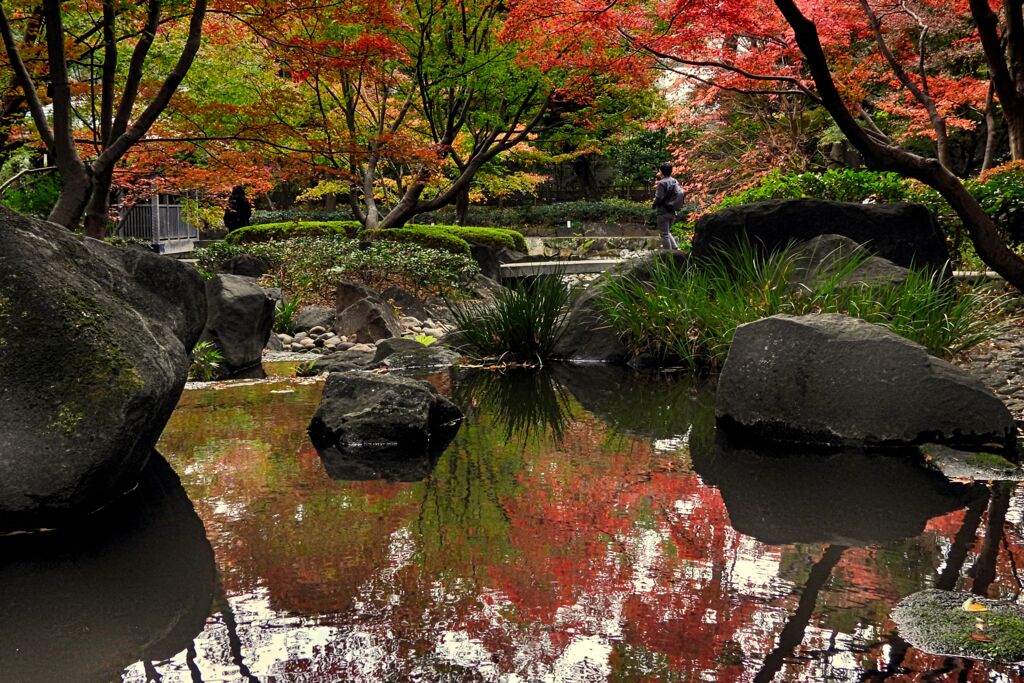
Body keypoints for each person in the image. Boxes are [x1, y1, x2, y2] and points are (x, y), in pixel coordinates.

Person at [652, 162, 681, 250]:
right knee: (667, 232)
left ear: (661, 171)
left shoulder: (662, 183)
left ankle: (668, 254)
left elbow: (659, 197)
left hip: (663, 211)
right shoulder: (675, 181)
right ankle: (675, 249)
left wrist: (654, 203)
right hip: (673, 210)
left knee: (664, 234)